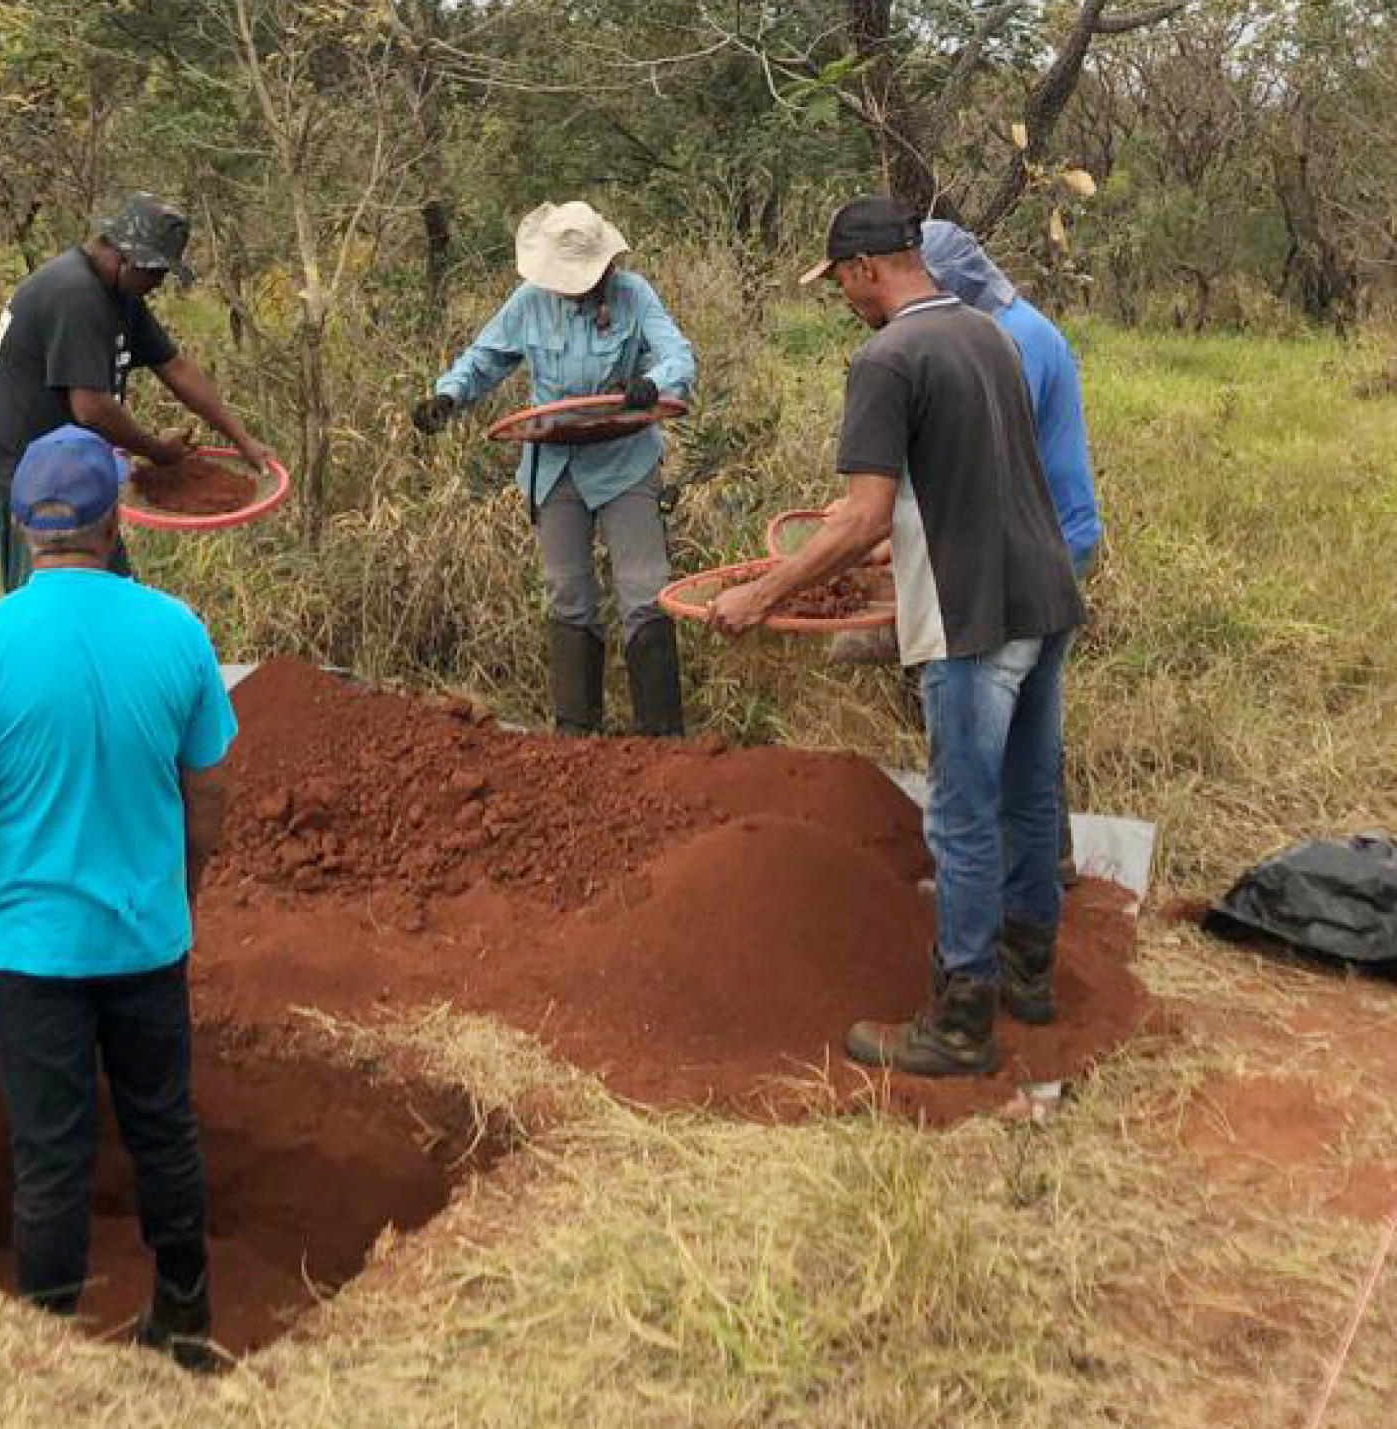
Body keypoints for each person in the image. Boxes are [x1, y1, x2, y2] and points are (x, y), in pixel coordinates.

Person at [708, 197, 1085, 1077]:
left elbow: (860, 511)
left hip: (972, 617)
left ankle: (958, 1025)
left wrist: (761, 593)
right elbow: (963, 482)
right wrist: (883, 550)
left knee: (960, 814)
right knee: (1030, 794)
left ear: (866, 269)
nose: (840, 295)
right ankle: (1026, 978)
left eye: (839, 279)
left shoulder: (885, 358)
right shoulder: (992, 333)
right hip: (1046, 591)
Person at [0, 424, 237, 1369]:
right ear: (115, 518)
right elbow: (209, 792)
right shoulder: (176, 631)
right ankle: (185, 1322)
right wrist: (182, 892)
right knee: (163, 1129)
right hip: (145, 939)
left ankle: (45, 1362)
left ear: (21, 520)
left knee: (50, 1156)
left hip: (32, 956)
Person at [412, 201, 697, 736]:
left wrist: (652, 385)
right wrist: (447, 397)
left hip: (624, 459)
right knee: (567, 590)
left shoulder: (634, 296)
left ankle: (662, 741)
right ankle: (575, 736)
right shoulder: (529, 302)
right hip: (556, 463)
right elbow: (485, 357)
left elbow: (679, 356)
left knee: (643, 590)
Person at [0, 192, 274, 591]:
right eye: (157, 272)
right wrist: (155, 450)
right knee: (53, 617)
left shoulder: (119, 293)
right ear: (129, 259)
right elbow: (91, 407)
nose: (159, 283)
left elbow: (175, 368)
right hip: (25, 485)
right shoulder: (75, 295)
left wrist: (243, 439)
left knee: (112, 601)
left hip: (75, 476)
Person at [920, 219, 1100, 879]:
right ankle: (1046, 860)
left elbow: (978, 465)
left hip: (1029, 543)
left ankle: (984, 874)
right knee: (1030, 717)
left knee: (982, 715)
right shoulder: (1019, 325)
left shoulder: (1006, 343)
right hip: (1054, 536)